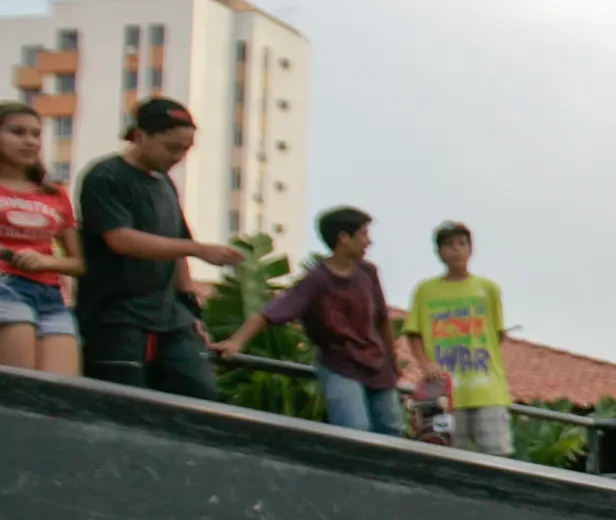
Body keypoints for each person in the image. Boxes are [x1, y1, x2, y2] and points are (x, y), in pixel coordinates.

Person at [76, 98, 244, 397]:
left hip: (170, 315)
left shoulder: (166, 183)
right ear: (140, 136)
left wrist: (191, 308)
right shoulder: (106, 177)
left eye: (185, 149)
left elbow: (176, 247)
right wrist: (198, 249)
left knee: (200, 393)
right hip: (117, 314)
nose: (178, 157)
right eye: (172, 147)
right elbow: (120, 239)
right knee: (123, 402)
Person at [216, 207, 405, 436]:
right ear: (344, 238)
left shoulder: (368, 272)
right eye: (363, 234)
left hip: (377, 364)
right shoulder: (316, 281)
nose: (369, 242)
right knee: (354, 428)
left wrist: (392, 359)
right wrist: (236, 342)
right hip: (340, 364)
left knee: (391, 428)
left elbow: (382, 319)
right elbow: (270, 311)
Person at [403, 220, 514, 456]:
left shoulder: (488, 289)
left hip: (487, 388)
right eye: (449, 244)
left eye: (462, 243)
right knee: (450, 454)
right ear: (439, 252)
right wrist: (427, 363)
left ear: (471, 249)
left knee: (497, 453)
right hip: (445, 392)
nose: (456, 249)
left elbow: (497, 333)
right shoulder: (425, 291)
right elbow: (414, 334)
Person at [0, 101, 84, 376]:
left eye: (35, 134)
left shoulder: (54, 193)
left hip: (50, 296)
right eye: (17, 132)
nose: (29, 141)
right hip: (5, 288)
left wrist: (44, 261)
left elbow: (80, 263)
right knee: (20, 392)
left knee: (60, 393)